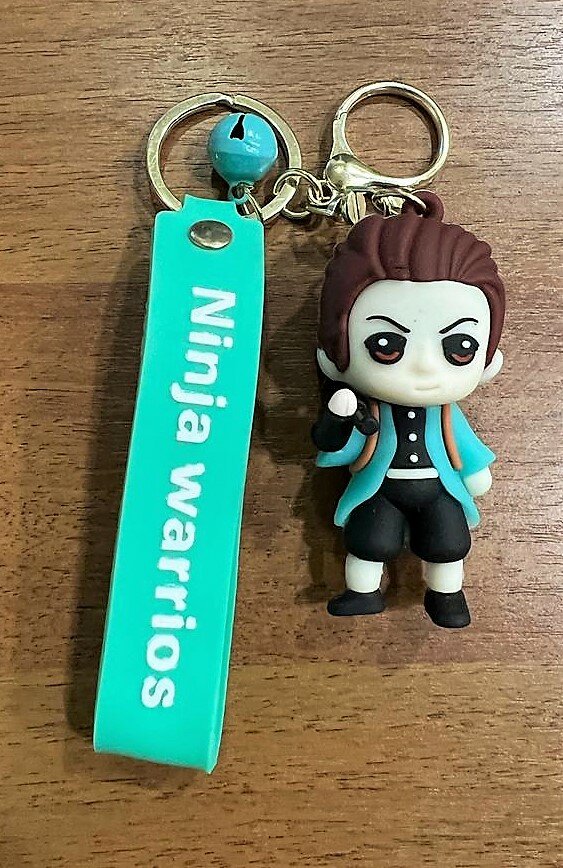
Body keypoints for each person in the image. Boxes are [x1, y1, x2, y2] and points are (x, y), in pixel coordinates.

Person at [312, 193, 506, 628]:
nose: (422, 366)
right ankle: (363, 592)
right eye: (386, 344)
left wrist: (475, 472)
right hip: (379, 488)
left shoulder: (447, 415)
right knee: (370, 540)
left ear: (487, 360)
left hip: (440, 488)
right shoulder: (367, 410)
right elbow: (337, 449)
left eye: (459, 347)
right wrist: (339, 419)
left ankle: (447, 596)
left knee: (449, 542)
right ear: (335, 352)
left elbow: (466, 447)